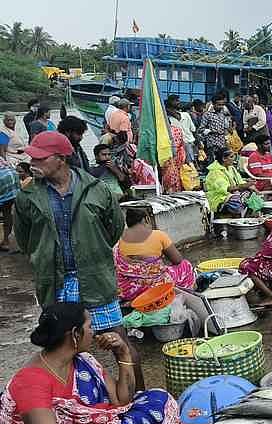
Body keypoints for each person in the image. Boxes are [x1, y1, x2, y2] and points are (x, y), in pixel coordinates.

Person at [14, 131, 144, 389]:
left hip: (95, 277)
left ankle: (142, 399)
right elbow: (26, 240)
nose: (33, 164)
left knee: (120, 343)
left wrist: (91, 251)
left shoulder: (97, 190)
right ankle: (75, 407)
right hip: (55, 282)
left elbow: (114, 229)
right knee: (61, 348)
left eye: (41, 159)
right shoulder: (27, 197)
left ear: (61, 159)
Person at [0, 303, 179, 424]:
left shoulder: (83, 361)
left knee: (158, 400)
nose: (93, 332)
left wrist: (123, 353)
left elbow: (121, 401)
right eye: (89, 326)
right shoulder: (31, 380)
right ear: (75, 334)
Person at [114, 208, 196, 301]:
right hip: (155, 288)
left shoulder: (118, 239)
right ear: (145, 220)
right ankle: (189, 298)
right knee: (186, 265)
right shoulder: (158, 235)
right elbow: (177, 260)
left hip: (128, 291)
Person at [205, 148, 255, 216]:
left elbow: (240, 181)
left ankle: (247, 218)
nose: (234, 159)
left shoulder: (231, 168)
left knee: (252, 195)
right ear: (224, 159)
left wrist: (249, 186)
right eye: (231, 157)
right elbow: (226, 189)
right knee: (239, 201)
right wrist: (244, 186)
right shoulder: (215, 172)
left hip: (232, 194)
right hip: (219, 198)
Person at [0, 135, 17, 252]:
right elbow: (3, 154)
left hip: (3, 178)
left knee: (6, 211)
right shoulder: (2, 136)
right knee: (7, 212)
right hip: (10, 176)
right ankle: (5, 241)